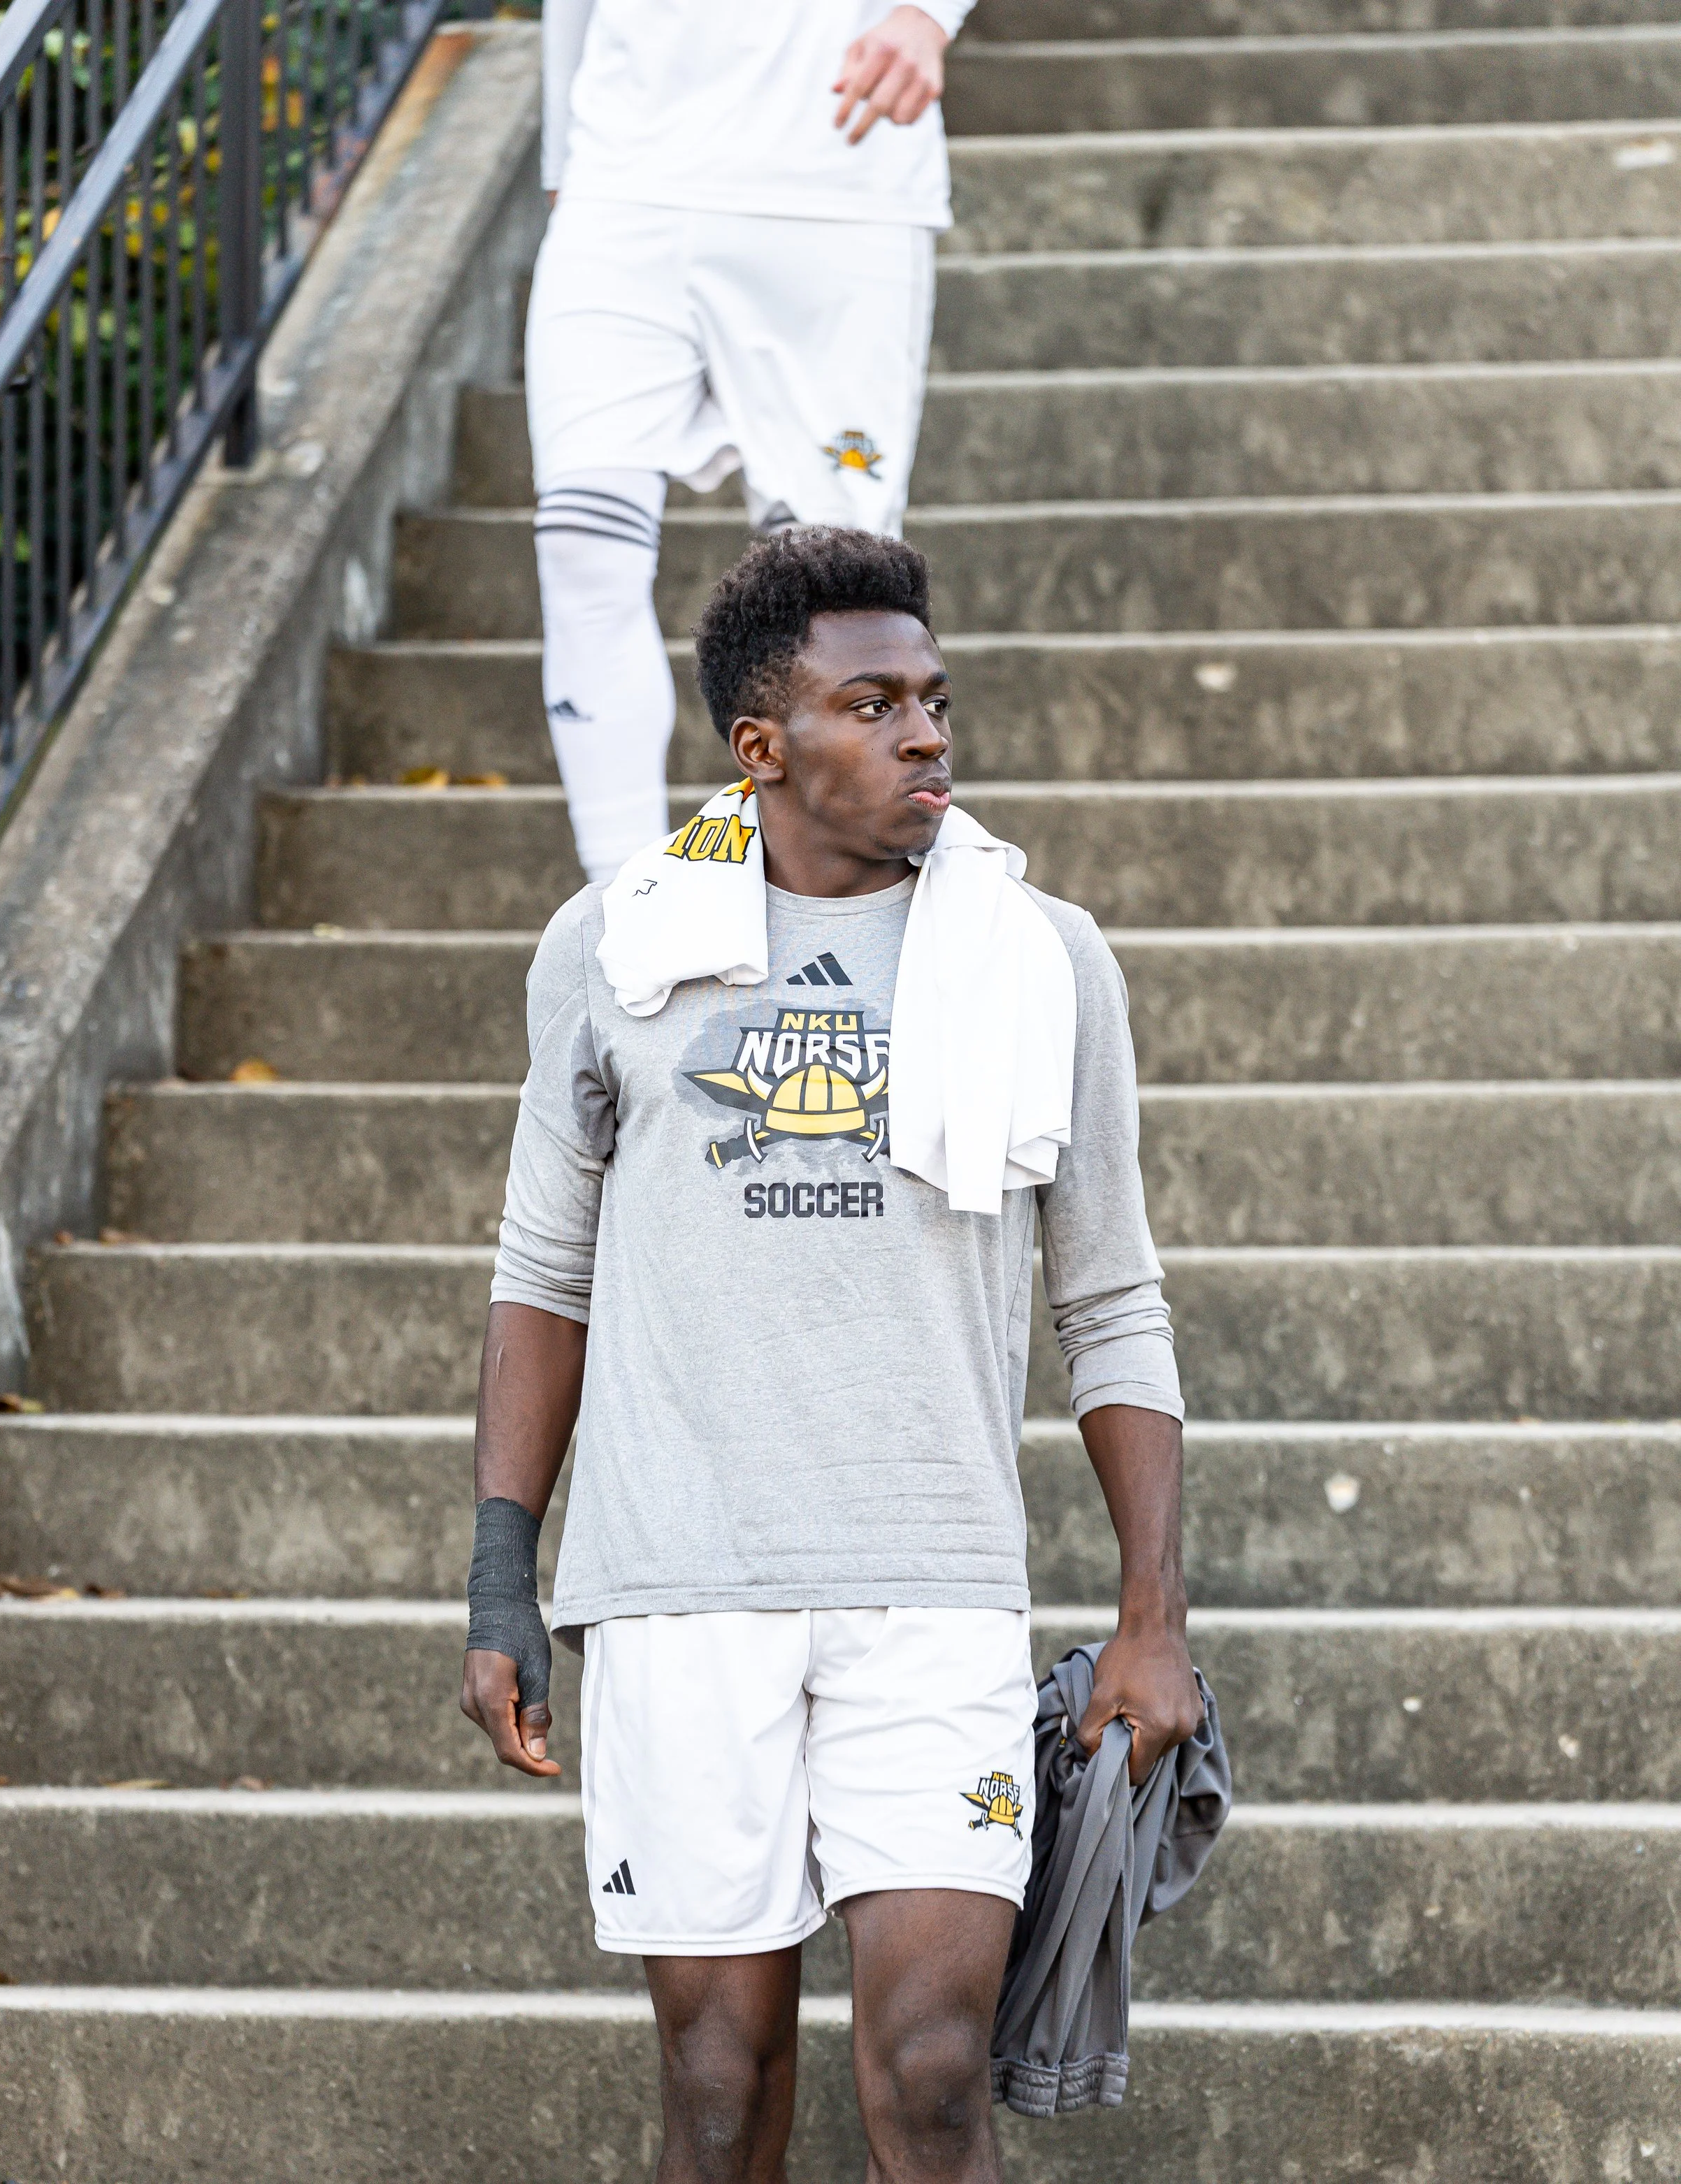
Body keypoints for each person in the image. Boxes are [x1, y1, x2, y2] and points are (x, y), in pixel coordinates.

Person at [462, 527, 1204, 2184]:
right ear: (761, 744)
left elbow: (1113, 1301)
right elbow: (541, 1268)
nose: (928, 734)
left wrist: (1151, 1617)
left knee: (935, 2073)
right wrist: (502, 1570)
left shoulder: (1042, 958)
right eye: (872, 705)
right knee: (717, 2081)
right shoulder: (613, 947)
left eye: (934, 699)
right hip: (677, 1582)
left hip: (927, 1586)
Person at [526, 0, 972, 884]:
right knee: (582, 543)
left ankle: (827, 888)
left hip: (835, 177)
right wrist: (560, 157)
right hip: (623, 176)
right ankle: (619, 898)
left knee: (832, 584)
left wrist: (929, 15)